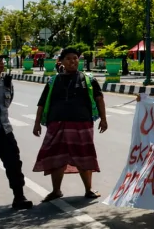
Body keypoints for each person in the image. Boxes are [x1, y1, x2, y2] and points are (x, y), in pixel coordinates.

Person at [33, 47, 107, 202]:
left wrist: (103, 119)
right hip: (56, 123)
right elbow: (41, 103)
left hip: (82, 123)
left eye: (75, 58)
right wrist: (37, 123)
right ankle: (56, 191)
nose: (73, 61)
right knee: (56, 157)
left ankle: (89, 189)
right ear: (61, 62)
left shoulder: (89, 79)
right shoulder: (53, 81)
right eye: (69, 59)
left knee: (84, 155)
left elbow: (99, 99)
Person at [0, 55, 33, 215]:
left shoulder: (7, 82)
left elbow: (7, 104)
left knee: (14, 164)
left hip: (5, 130)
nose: (1, 64)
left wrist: (6, 85)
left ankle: (19, 197)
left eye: (2, 61)